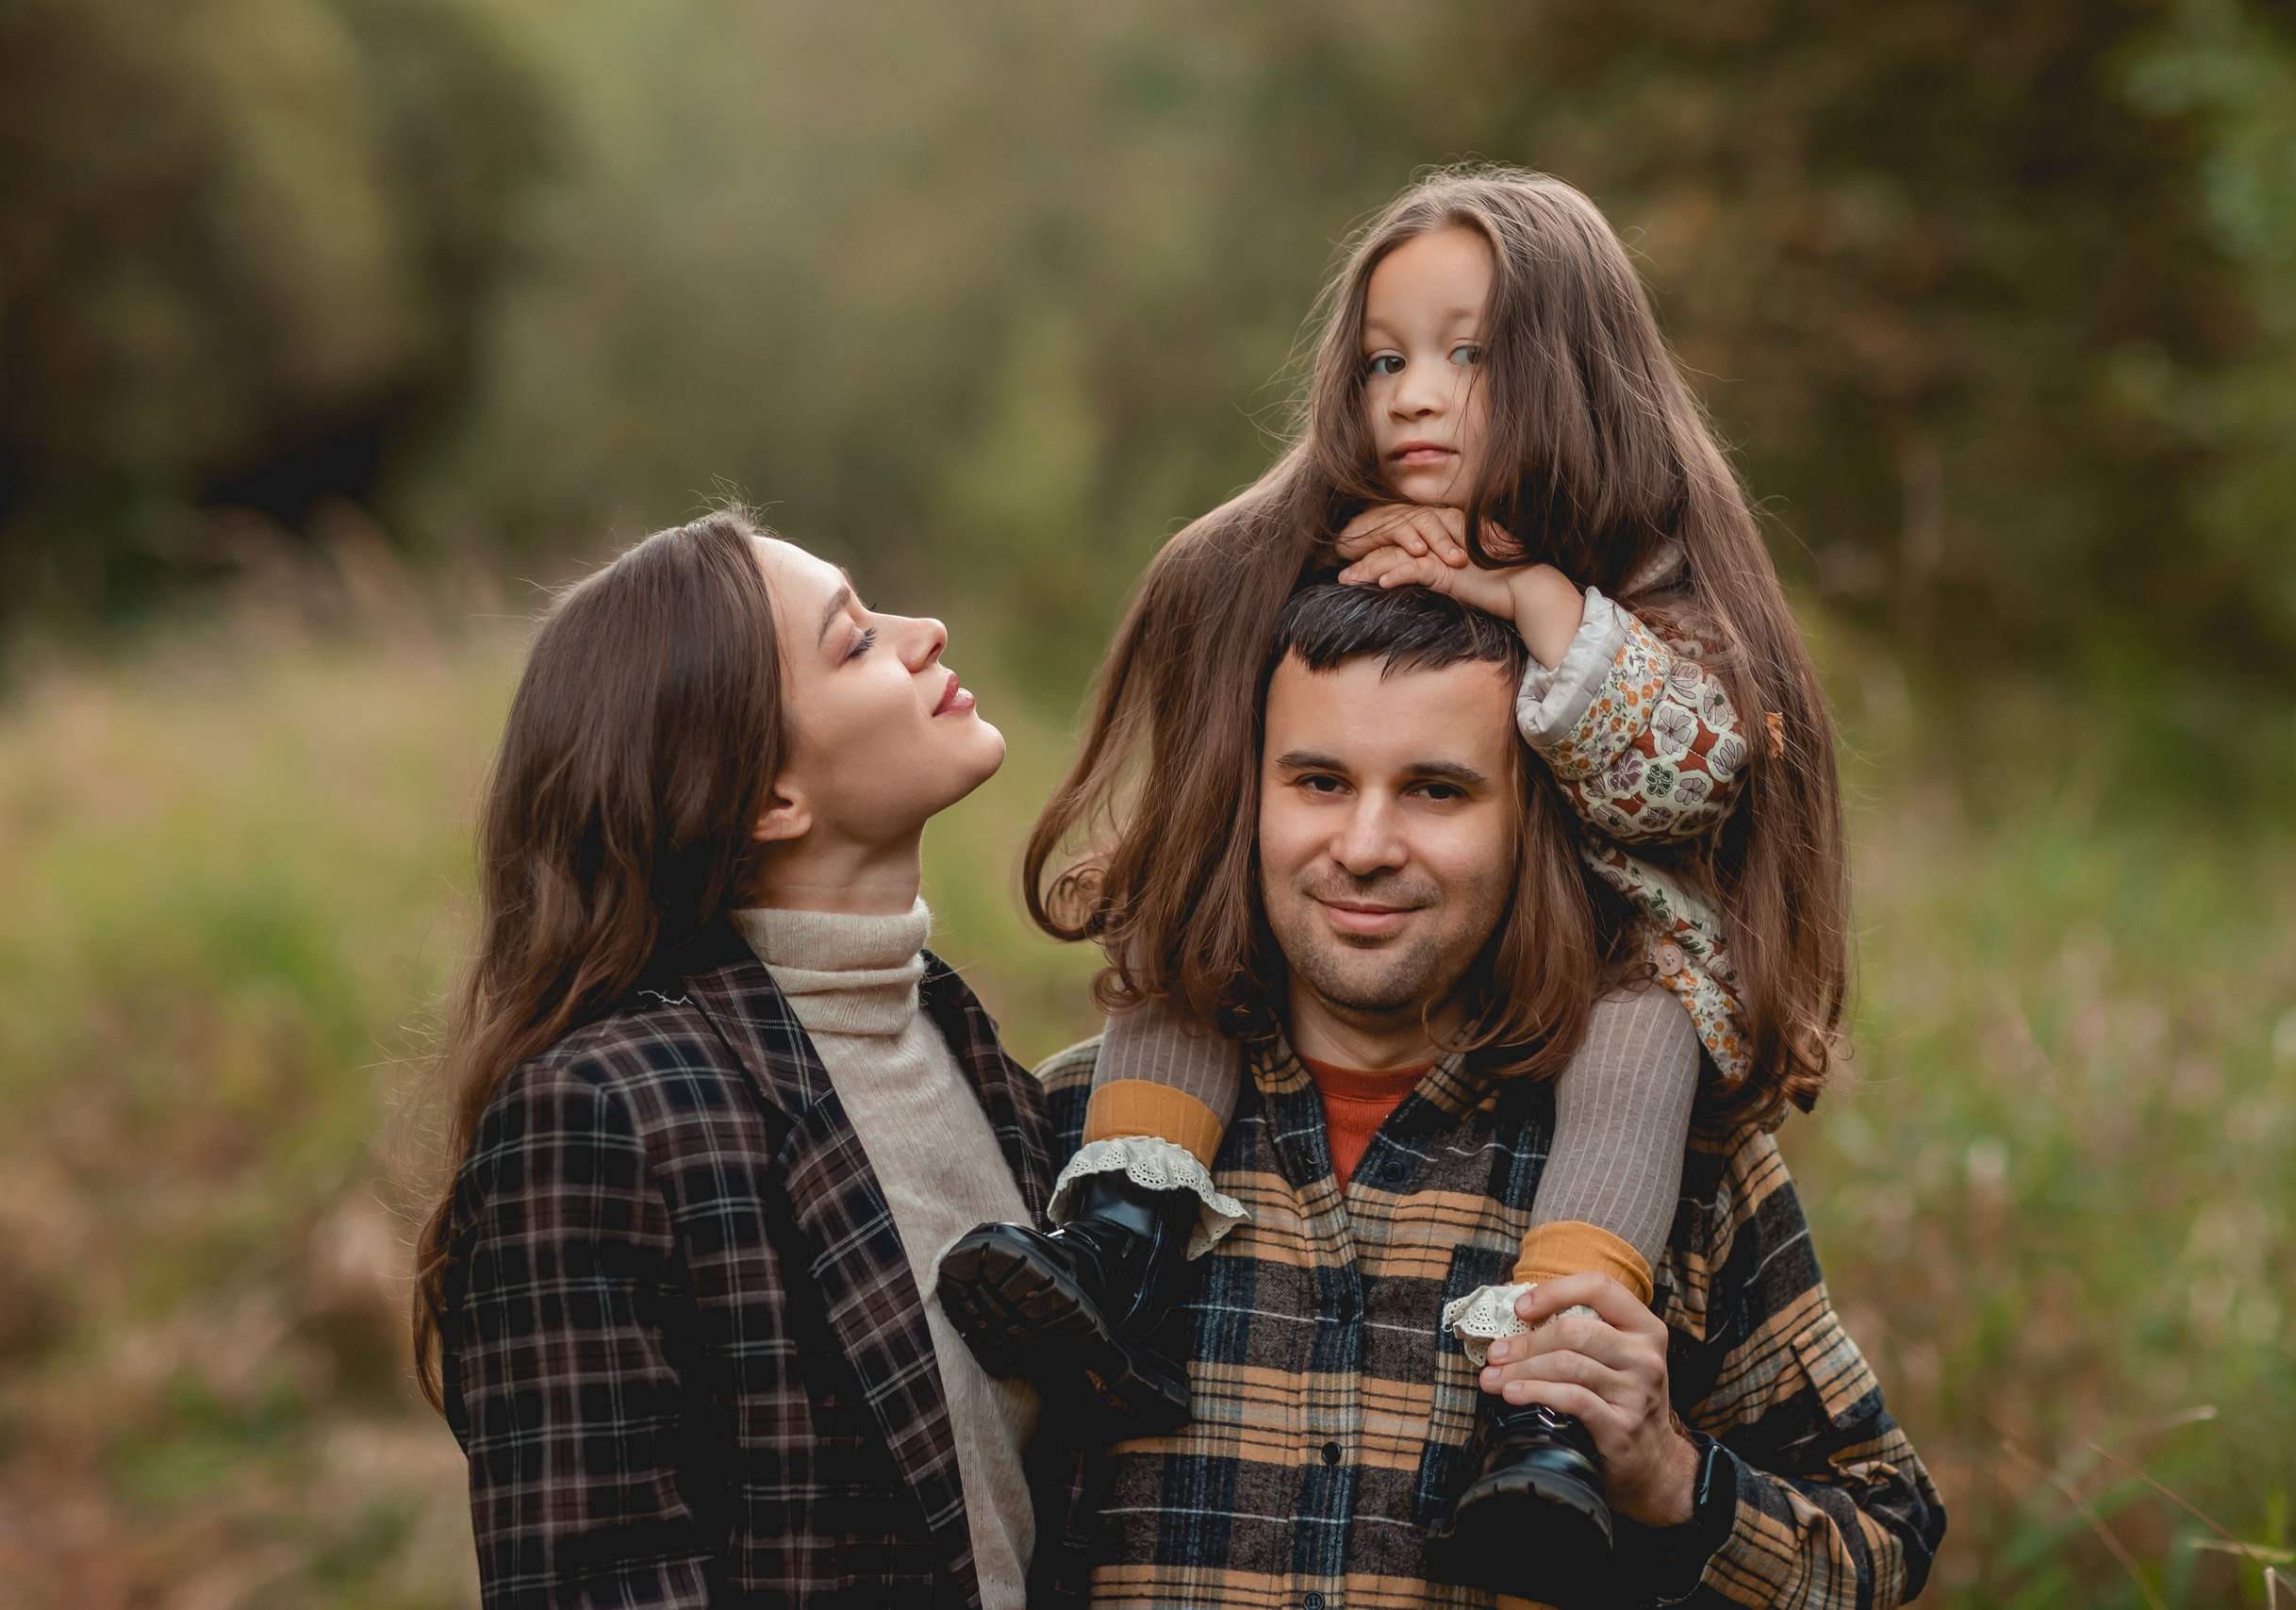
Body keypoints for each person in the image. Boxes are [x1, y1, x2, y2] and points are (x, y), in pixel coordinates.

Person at [940, 165, 1844, 1585]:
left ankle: (1547, 1406)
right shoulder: (1035, 1118)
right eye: (1383, 361)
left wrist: (1534, 600)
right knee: (1186, 944)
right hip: (1191, 1074)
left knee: (1635, 1039)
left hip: (1612, 975)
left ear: (1576, 379)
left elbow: (1683, 766)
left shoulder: (1660, 576)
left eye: (1468, 356)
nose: (1415, 396)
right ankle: (1121, 1230)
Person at [1029, 581, 1942, 1609]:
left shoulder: (1682, 1171)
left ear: (1530, 821)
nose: (1366, 846)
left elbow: (1884, 1536)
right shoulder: (1069, 1133)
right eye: (1320, 782)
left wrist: (1667, 1477)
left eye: (1435, 790)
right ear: (1252, 799)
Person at [410, 510, 1086, 1608]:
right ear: (770, 797)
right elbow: (598, 1585)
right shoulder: (599, 1120)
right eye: (856, 640)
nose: (925, 633)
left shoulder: (984, 1068)